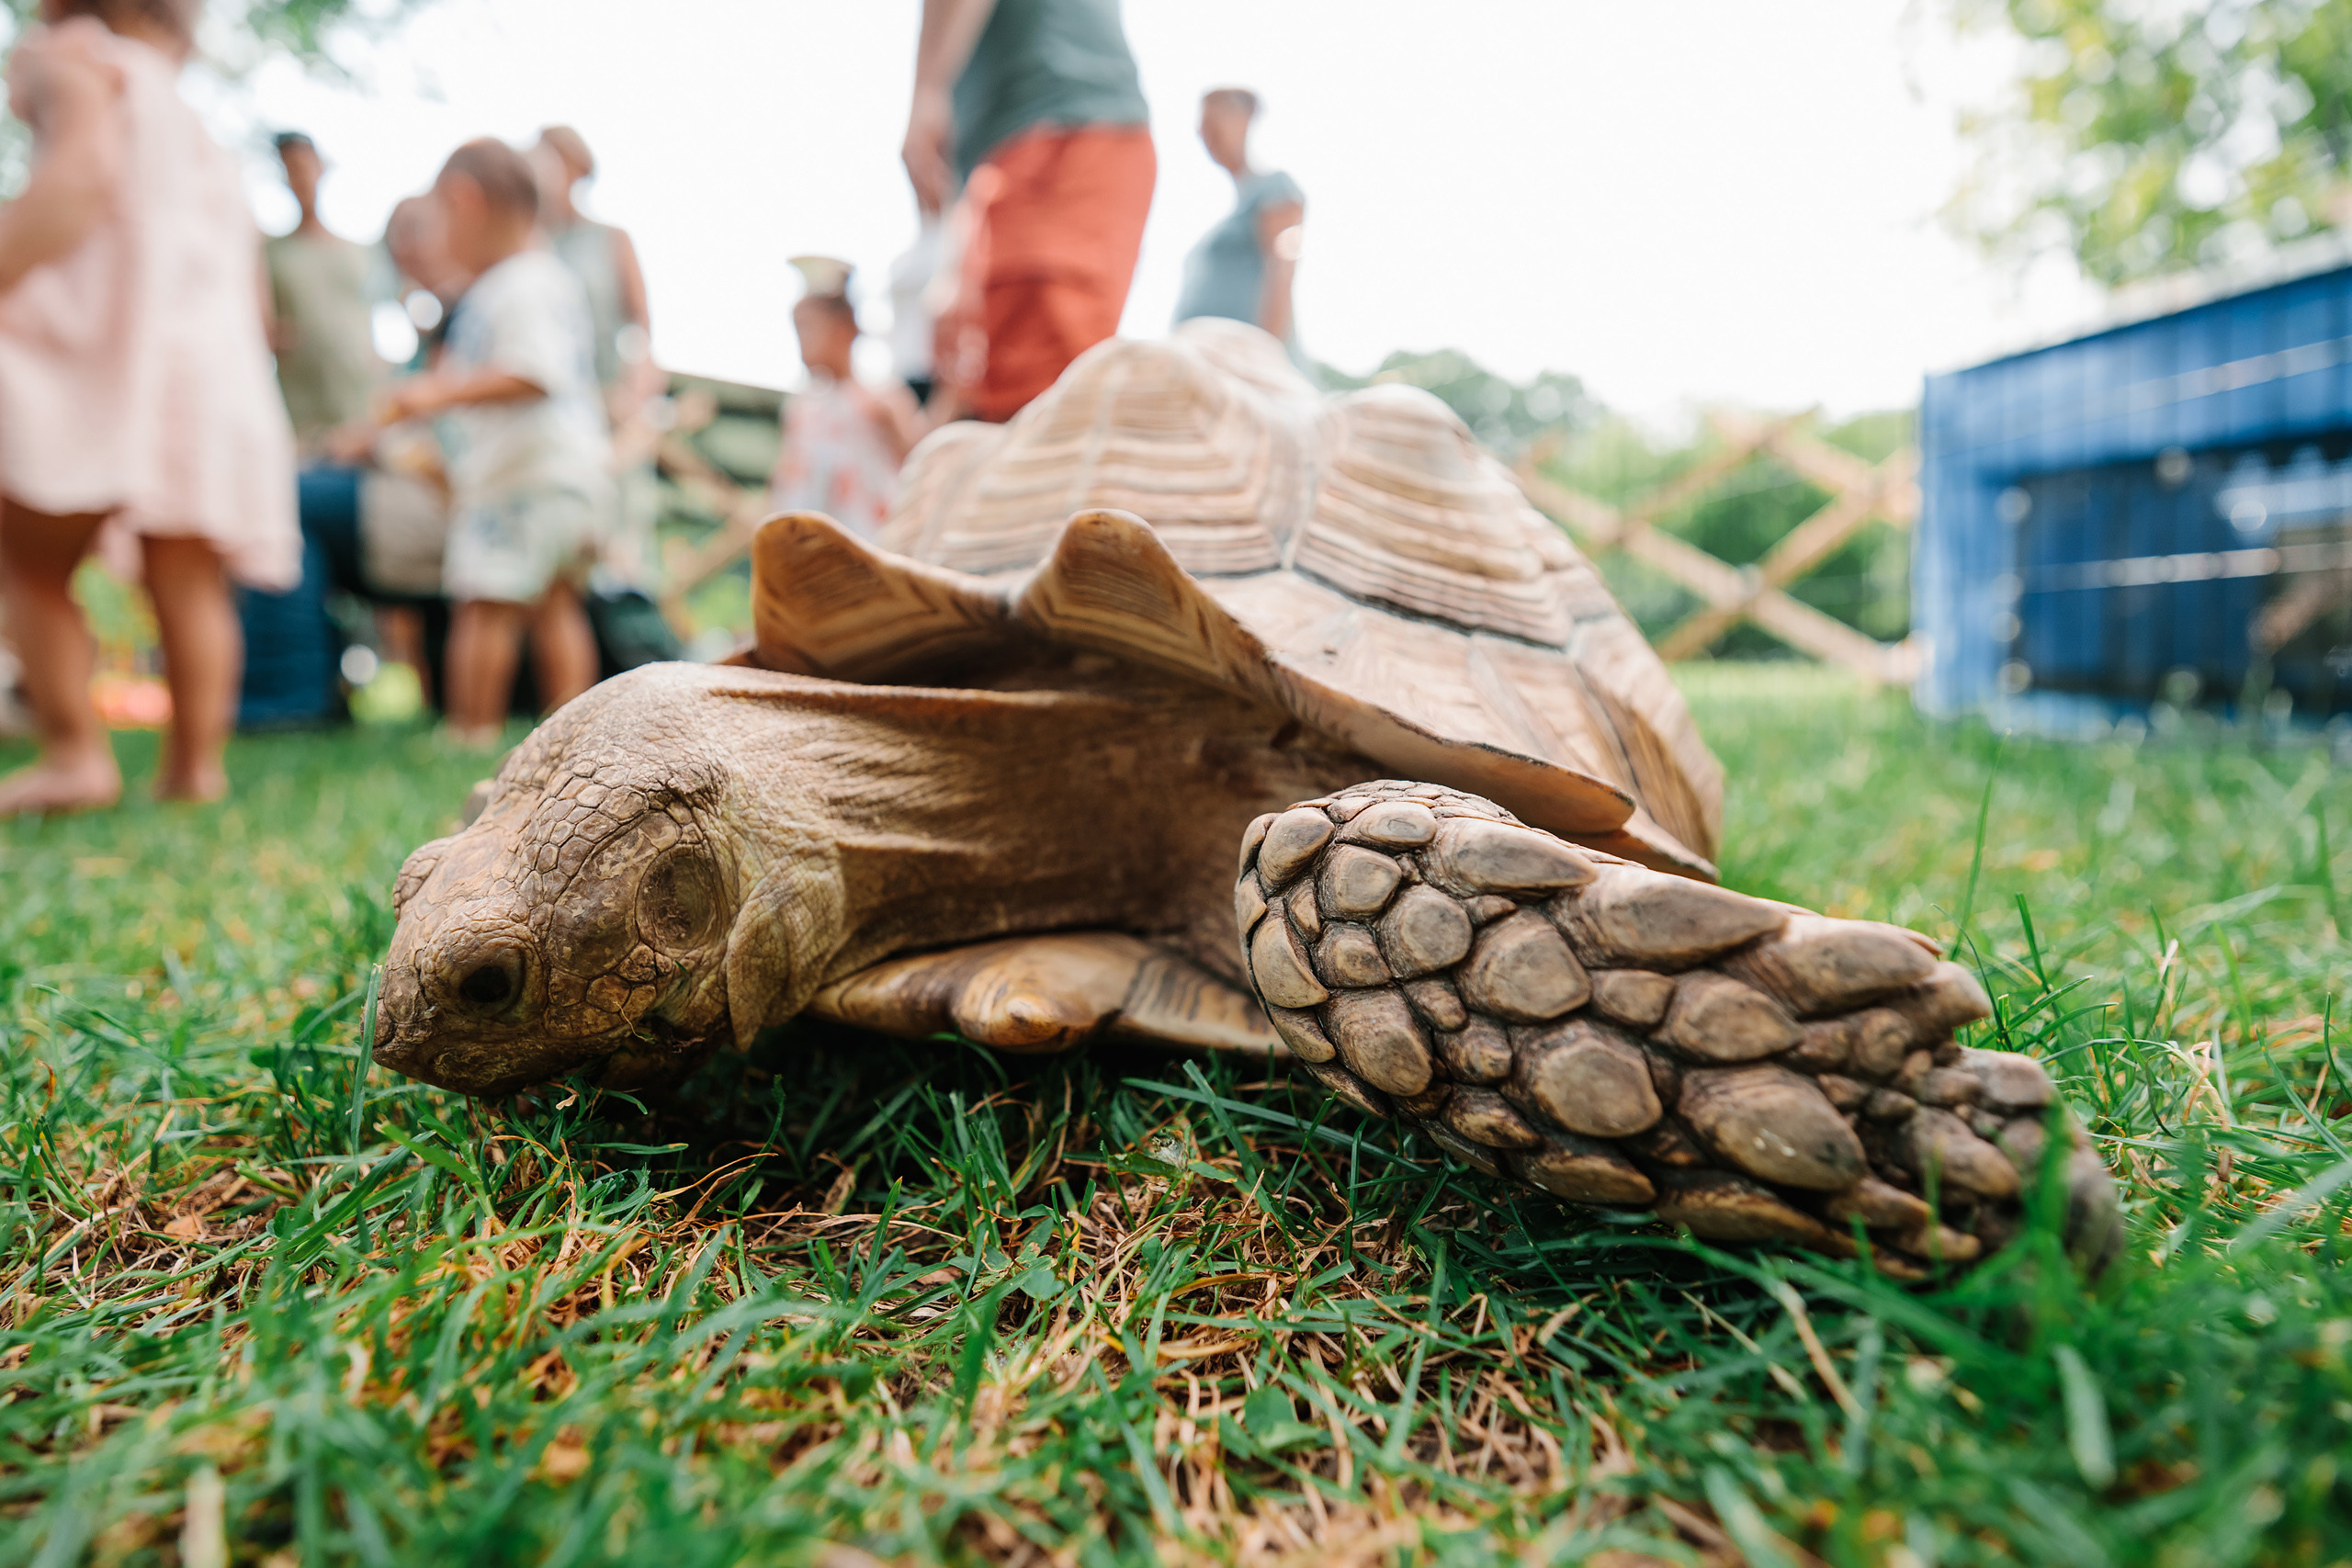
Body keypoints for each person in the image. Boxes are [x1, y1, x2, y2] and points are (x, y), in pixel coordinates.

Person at [0, 0, 299, 815]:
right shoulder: (197, 120)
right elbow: (254, 290)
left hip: (116, 344)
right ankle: (194, 770)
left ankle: (72, 751)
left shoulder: (72, 56)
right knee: (191, 574)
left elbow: (78, 180)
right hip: (212, 364)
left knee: (29, 555)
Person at [349, 139, 611, 748]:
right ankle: (575, 740)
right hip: (567, 476)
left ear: (465, 204)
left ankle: (471, 729)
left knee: (483, 602)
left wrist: (435, 393)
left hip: (520, 479)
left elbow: (530, 372)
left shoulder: (516, 284)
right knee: (554, 605)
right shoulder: (539, 279)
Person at [902, 0, 1154, 423]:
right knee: (984, 376)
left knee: (1035, 398)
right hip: (1018, 147)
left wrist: (927, 90)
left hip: (1060, 133)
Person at [532, 125, 659, 587]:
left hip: (608, 412)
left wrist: (635, 393)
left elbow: (643, 327)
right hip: (553, 420)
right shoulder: (532, 244)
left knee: (617, 546)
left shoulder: (611, 239)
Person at [768, 257, 923, 541]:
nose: (801, 342)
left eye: (808, 327)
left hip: (871, 545)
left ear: (844, 328)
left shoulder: (882, 400)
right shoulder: (801, 409)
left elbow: (918, 468)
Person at [264, 131, 384, 452]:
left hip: (361, 409)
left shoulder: (361, 252)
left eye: (305, 166)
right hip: (300, 417)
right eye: (291, 169)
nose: (301, 178)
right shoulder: (271, 254)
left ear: (321, 168)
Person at [1172, 88, 1306, 350]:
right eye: (1201, 129)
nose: (1204, 135)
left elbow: (1283, 269)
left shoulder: (1276, 189)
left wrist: (1266, 354)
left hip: (1245, 361)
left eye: (1212, 125)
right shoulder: (1232, 210)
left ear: (1244, 119)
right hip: (1204, 359)